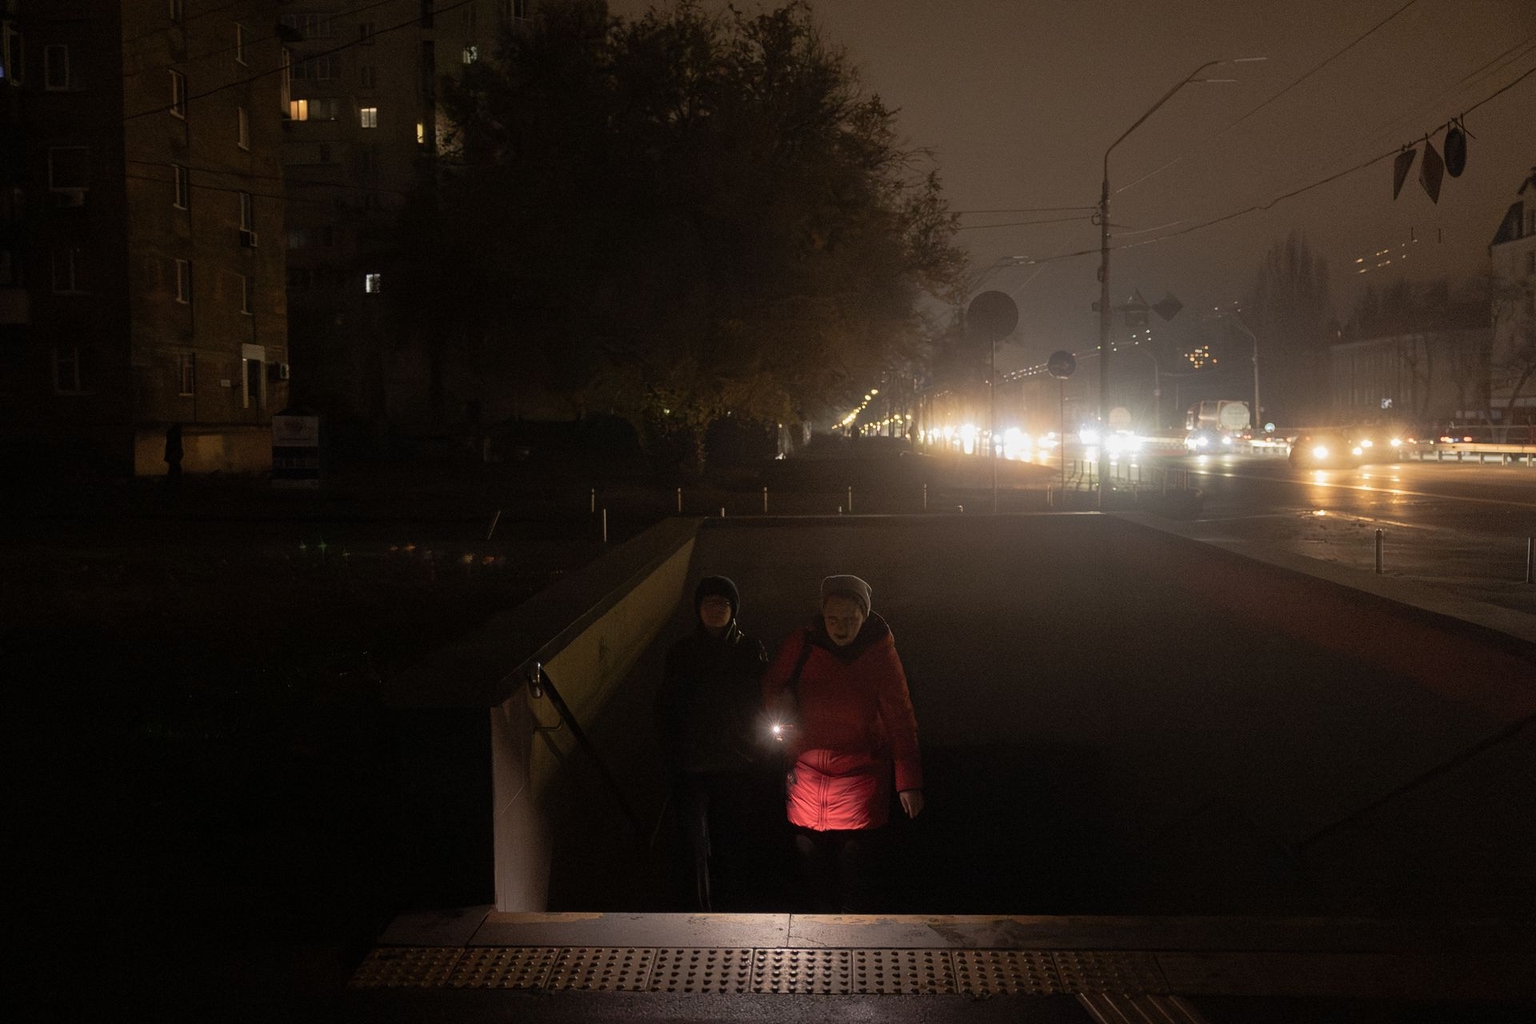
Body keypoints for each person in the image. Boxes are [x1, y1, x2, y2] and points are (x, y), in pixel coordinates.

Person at [762, 574, 923, 912]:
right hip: (807, 777)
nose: (841, 626)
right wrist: (783, 717)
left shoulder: (879, 652)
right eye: (833, 617)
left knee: (855, 877)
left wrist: (908, 782)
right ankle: (816, 936)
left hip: (860, 779)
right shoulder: (803, 643)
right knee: (812, 872)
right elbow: (774, 684)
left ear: (865, 615)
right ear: (822, 614)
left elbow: (900, 717)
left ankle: (852, 935)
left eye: (850, 617)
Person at [654, 575, 772, 910]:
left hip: (736, 766)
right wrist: (672, 753)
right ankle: (700, 914)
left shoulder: (749, 650)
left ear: (734, 609)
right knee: (694, 846)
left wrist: (755, 747)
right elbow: (666, 707)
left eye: (722, 602)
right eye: (709, 602)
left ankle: (732, 912)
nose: (715, 609)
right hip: (693, 767)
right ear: (698, 608)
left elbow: (763, 701)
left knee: (731, 844)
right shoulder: (682, 653)